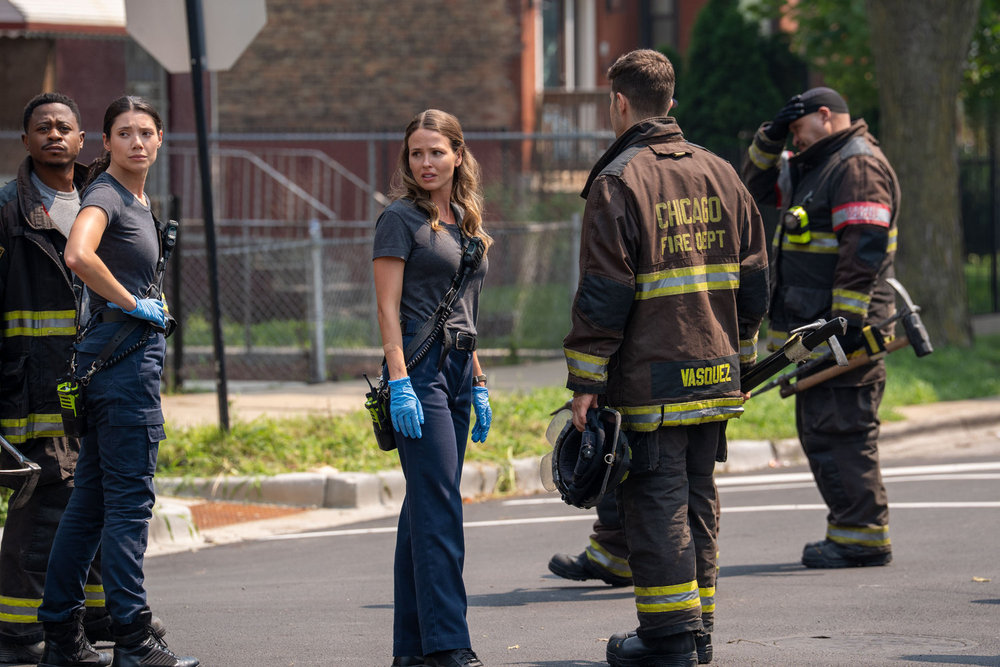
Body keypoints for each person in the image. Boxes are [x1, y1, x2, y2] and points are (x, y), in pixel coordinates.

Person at [563, 49, 769, 666]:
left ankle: (669, 640)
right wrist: (743, 356)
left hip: (652, 379)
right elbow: (756, 277)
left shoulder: (618, 181)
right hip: (715, 371)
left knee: (655, 504)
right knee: (698, 502)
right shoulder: (722, 173)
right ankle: (698, 630)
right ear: (670, 102)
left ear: (619, 104)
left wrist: (586, 379)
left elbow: (605, 292)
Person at [36, 96, 196, 667]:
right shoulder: (106, 194)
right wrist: (134, 303)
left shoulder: (135, 198)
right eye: (124, 132)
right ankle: (133, 638)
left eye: (146, 132)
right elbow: (79, 255)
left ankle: (61, 637)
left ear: (158, 141)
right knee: (129, 507)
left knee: (90, 505)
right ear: (106, 143)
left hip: (115, 365)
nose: (136, 142)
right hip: (122, 370)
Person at [742, 87, 899, 569]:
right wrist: (766, 140)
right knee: (822, 428)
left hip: (845, 333)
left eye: (795, 129)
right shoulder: (816, 167)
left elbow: (864, 247)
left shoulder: (857, 166)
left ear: (824, 116)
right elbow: (754, 188)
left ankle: (861, 536)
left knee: (842, 429)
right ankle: (851, 530)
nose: (792, 140)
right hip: (816, 333)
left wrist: (845, 323)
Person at [0, 92, 118, 664]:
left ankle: (91, 613)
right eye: (41, 127)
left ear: (81, 140)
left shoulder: (104, 200)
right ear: (24, 140)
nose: (53, 135)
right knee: (46, 501)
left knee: (93, 498)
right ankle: (17, 634)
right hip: (34, 385)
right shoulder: (8, 210)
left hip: (100, 381)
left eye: (64, 127)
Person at [372, 109, 493, 667]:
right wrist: (399, 382)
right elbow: (386, 309)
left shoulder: (465, 218)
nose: (425, 162)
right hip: (419, 373)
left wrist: (481, 379)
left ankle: (411, 649)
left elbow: (469, 309)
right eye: (417, 153)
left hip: (460, 372)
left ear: (457, 155)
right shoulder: (399, 219)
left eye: (436, 151)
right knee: (441, 505)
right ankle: (448, 643)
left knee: (423, 506)